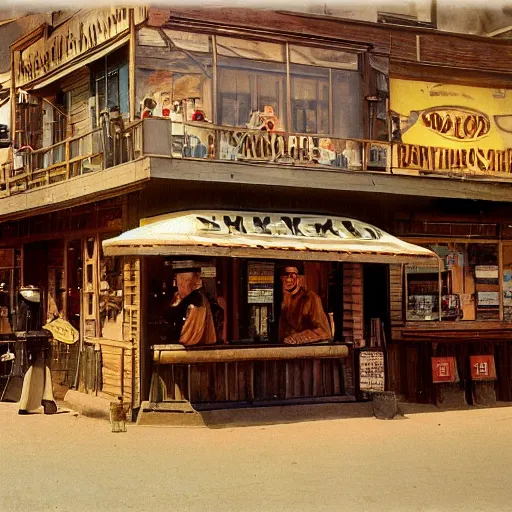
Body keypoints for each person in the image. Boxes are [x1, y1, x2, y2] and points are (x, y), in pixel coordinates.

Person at [166, 261, 217, 346]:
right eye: (179, 282)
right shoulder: (179, 298)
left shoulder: (196, 303)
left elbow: (188, 338)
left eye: (185, 281)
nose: (179, 285)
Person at [278, 263, 332, 345]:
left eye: (292, 275)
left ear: (299, 278)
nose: (288, 279)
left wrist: (298, 338)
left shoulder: (310, 298)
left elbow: (324, 332)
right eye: (286, 275)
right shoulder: (282, 300)